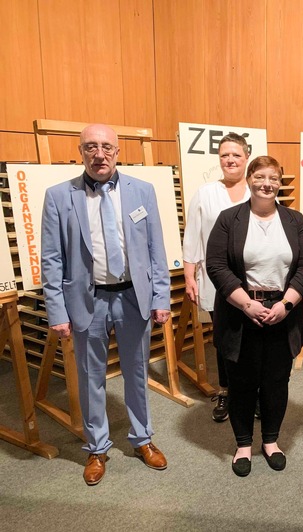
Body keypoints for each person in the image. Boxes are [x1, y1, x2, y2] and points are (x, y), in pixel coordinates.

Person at [41, 124, 171, 486]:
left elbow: (155, 250)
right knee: (90, 376)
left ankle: (142, 439)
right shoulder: (59, 196)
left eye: (107, 147)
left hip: (133, 297)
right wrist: (56, 310)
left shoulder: (141, 191)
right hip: (88, 300)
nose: (100, 154)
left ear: (117, 151)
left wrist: (161, 297)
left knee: (136, 372)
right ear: (80, 151)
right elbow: (51, 259)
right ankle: (97, 447)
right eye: (91, 147)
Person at [206, 156, 303, 477]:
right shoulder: (229, 219)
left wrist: (287, 304)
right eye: (260, 176)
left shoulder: (295, 220)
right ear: (250, 178)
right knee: (241, 382)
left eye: (274, 178)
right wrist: (246, 304)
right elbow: (216, 266)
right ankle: (242, 444)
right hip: (242, 313)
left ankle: (270, 441)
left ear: (279, 182)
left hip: (283, 312)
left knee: (276, 381)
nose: (267, 183)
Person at [183, 133, 251, 422]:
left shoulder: (257, 190)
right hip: (215, 276)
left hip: (252, 278)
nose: (230, 160)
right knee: (223, 338)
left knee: (251, 338)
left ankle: (251, 393)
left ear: (246, 157)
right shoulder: (206, 193)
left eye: (236, 154)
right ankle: (225, 391)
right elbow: (193, 236)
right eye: (225, 155)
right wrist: (189, 276)